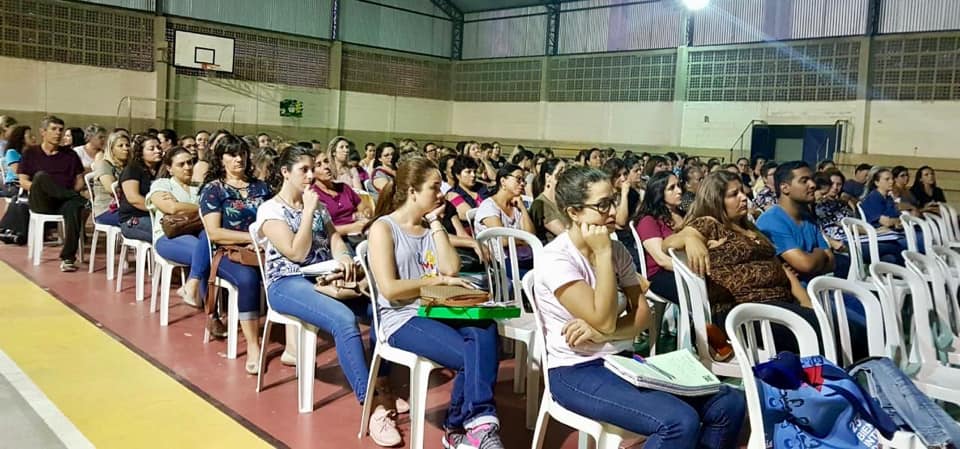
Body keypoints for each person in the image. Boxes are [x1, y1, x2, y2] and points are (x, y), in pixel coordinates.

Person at [534, 165, 746, 449]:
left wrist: (603, 334)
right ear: (574, 212)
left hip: (622, 361)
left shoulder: (618, 251)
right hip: (576, 369)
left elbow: (643, 315)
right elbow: (604, 318)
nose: (613, 211)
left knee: (728, 402)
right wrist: (602, 253)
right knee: (678, 422)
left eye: (613, 201)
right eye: (602, 205)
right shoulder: (557, 259)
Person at [256, 146, 403, 446]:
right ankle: (372, 406)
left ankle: (382, 382)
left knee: (382, 308)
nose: (311, 175)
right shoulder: (270, 210)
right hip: (288, 282)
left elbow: (335, 239)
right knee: (344, 320)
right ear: (285, 172)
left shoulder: (317, 205)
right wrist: (309, 210)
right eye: (304, 170)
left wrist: (344, 257)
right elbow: (296, 253)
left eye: (313, 169)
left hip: (324, 277)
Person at [366, 156, 505, 449]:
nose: (441, 193)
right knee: (470, 356)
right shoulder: (384, 228)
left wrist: (436, 223)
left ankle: (472, 423)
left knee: (486, 329)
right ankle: (462, 426)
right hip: (401, 317)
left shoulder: (429, 229)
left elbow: (451, 268)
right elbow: (390, 290)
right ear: (412, 191)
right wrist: (436, 281)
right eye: (434, 187)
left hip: (432, 308)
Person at [662, 171, 820, 352]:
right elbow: (668, 244)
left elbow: (780, 267)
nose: (744, 198)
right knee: (822, 328)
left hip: (777, 306)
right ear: (716, 201)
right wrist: (691, 238)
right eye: (733, 194)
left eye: (742, 192)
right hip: (743, 312)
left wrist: (806, 302)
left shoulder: (749, 227)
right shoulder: (710, 223)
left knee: (832, 321)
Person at [199, 134, 271, 373]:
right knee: (248, 279)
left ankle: (292, 343)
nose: (238, 159)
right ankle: (253, 344)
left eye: (242, 154)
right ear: (221, 159)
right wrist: (251, 239)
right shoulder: (214, 190)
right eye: (232, 154)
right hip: (228, 253)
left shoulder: (261, 187)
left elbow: (274, 218)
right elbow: (214, 233)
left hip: (264, 248)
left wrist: (265, 241)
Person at [17, 116, 86, 272]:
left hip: (64, 203)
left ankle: (68, 258)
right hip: (41, 200)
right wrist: (41, 188)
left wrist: (69, 193)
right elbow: (23, 181)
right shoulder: (30, 153)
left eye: (60, 130)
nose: (58, 133)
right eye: (53, 129)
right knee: (41, 177)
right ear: (43, 132)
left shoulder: (70, 155)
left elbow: (80, 181)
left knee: (74, 207)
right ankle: (71, 196)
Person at [756, 161, 834, 282]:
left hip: (818, 288)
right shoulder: (771, 220)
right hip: (794, 292)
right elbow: (806, 264)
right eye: (804, 181)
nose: (813, 185)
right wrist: (820, 254)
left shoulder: (807, 218)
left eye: (812, 179)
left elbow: (831, 263)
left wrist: (812, 261)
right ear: (785, 188)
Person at [146, 147, 202, 308]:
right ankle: (199, 294)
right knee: (203, 252)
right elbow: (171, 208)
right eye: (181, 164)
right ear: (169, 169)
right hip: (168, 236)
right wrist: (201, 208)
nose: (187, 167)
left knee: (211, 249)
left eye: (190, 162)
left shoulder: (199, 188)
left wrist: (182, 205)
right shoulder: (162, 184)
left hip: (196, 234)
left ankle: (197, 291)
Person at [635, 171, 685, 303]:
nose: (679, 191)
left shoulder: (684, 213)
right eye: (672, 188)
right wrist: (692, 269)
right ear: (659, 192)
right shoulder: (648, 220)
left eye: (679, 185)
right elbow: (662, 260)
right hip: (661, 273)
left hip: (684, 266)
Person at [310, 148, 372, 237]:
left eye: (326, 161)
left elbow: (364, 208)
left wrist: (364, 214)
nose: (326, 166)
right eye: (319, 165)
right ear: (311, 172)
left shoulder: (343, 187)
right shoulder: (314, 195)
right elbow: (320, 231)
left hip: (360, 232)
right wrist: (352, 228)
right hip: (337, 238)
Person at [118, 135, 161, 242]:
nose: (158, 151)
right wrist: (160, 208)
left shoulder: (162, 169)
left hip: (157, 215)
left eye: (159, 147)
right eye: (151, 149)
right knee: (164, 233)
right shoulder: (132, 169)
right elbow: (134, 199)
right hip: (134, 218)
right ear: (141, 153)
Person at [473, 164, 535, 236]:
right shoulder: (488, 207)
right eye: (518, 179)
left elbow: (531, 235)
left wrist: (523, 208)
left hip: (520, 243)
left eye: (523, 180)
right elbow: (503, 239)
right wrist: (525, 240)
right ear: (503, 181)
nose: (522, 183)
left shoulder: (517, 205)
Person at [90, 131, 130, 227]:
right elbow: (111, 189)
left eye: (127, 145)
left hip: (126, 208)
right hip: (107, 210)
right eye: (120, 146)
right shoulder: (104, 165)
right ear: (111, 149)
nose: (125, 148)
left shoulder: (129, 166)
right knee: (138, 219)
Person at [529, 158, 565, 243]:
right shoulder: (541, 204)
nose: (565, 176)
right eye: (560, 172)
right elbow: (564, 233)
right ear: (548, 176)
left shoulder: (563, 200)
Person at [445, 156, 486, 223]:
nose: (473, 175)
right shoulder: (452, 194)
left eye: (474, 172)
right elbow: (467, 215)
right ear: (457, 175)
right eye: (468, 172)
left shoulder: (481, 187)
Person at [2, 125, 33, 197]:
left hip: (28, 183)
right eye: (30, 136)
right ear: (22, 139)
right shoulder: (12, 152)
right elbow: (18, 172)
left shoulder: (32, 154)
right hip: (14, 185)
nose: (34, 138)